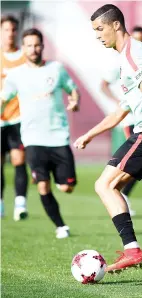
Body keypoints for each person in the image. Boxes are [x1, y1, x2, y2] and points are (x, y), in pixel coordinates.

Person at [74, 4, 142, 281]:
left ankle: (132, 249)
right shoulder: (141, 50)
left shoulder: (132, 58)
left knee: (104, 184)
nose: (98, 36)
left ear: (116, 25)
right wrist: (90, 134)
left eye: (100, 29)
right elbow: (124, 109)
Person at [0, 28, 79, 239]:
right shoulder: (15, 75)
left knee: (66, 187)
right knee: (43, 186)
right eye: (29, 45)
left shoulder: (57, 69)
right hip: (33, 138)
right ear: (23, 48)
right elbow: (4, 98)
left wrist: (75, 100)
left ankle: (58, 179)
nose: (33, 49)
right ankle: (61, 226)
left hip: (59, 137)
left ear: (42, 46)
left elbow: (72, 89)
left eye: (37, 45)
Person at [100, 26, 142, 215]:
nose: (139, 43)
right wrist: (118, 102)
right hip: (131, 119)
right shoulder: (120, 63)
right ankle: (120, 192)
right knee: (139, 161)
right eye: (136, 39)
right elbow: (103, 85)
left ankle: (123, 192)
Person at [0, 15, 28, 220]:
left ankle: (20, 204)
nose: (10, 34)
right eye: (6, 30)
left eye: (13, 30)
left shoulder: (24, 56)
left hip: (19, 118)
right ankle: (0, 203)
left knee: (19, 161)